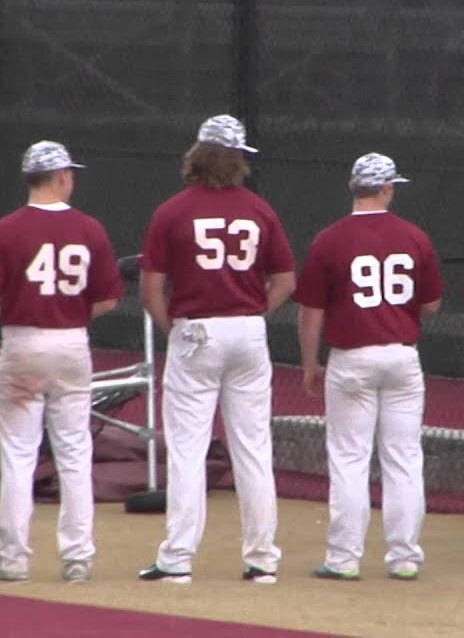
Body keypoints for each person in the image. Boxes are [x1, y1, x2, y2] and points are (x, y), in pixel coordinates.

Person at [137, 114, 296, 584]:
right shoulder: (260, 209)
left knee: (187, 451)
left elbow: (150, 290)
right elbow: (286, 280)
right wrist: (251, 315)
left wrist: (175, 328)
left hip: (196, 329)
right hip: (247, 330)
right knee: (253, 449)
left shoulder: (172, 211)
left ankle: (178, 559)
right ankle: (262, 559)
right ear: (239, 160)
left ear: (197, 156)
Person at [0, 141, 124, 585]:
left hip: (22, 342)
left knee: (18, 454)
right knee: (74, 450)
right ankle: (78, 557)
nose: (72, 179)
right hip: (72, 342)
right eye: (69, 173)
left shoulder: (7, 229)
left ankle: (12, 558)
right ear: (59, 178)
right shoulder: (89, 228)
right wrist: (69, 318)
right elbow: (109, 298)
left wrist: (22, 321)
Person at [294, 153, 444, 582]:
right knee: (402, 458)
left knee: (350, 459)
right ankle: (405, 556)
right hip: (401, 355)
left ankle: (343, 558)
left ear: (352, 188)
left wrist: (309, 363)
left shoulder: (329, 239)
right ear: (387, 189)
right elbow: (432, 303)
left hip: (352, 357)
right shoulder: (414, 236)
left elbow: (311, 311)